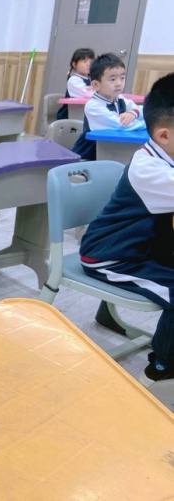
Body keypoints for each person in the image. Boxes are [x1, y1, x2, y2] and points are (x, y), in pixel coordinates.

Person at [80, 72, 174, 387]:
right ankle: (161, 370)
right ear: (164, 135)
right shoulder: (150, 169)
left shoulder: (166, 155)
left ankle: (108, 316)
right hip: (111, 257)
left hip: (142, 248)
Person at [72, 53, 145, 160]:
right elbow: (121, 125)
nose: (119, 83)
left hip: (110, 152)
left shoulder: (120, 99)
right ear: (96, 85)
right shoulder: (93, 106)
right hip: (88, 157)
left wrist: (133, 113)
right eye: (112, 79)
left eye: (122, 78)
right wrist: (148, 124)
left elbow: (144, 111)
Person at [56, 47, 96, 120]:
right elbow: (88, 94)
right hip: (69, 117)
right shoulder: (74, 80)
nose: (88, 64)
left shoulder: (90, 79)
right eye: (85, 62)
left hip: (82, 115)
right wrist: (97, 89)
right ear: (74, 64)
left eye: (91, 62)